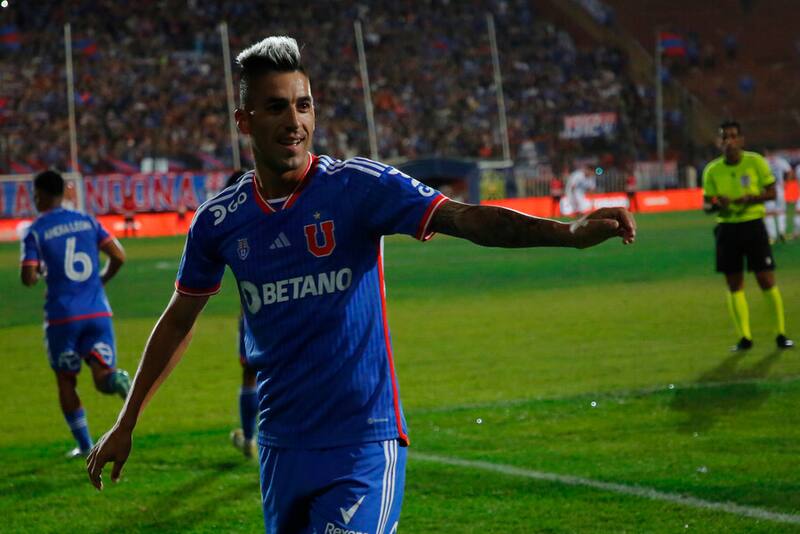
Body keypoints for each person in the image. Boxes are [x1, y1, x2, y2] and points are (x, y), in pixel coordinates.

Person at [86, 36, 635, 533]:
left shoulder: (357, 187)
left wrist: (569, 234)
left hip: (363, 443)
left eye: (303, 106)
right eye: (276, 107)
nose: (294, 121)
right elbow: (179, 319)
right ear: (244, 121)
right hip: (281, 446)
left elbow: (468, 218)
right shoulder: (219, 221)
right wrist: (126, 421)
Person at [21, 170, 131, 458]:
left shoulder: (36, 230)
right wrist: (101, 280)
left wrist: (39, 272)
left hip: (62, 317)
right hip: (97, 311)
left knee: (66, 379)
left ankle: (84, 445)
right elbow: (119, 256)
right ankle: (117, 380)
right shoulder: (87, 221)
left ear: (42, 195)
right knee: (101, 375)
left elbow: (28, 276)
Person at [702, 120, 794, 352]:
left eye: (733, 136)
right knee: (734, 284)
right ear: (719, 142)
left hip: (753, 226)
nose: (729, 141)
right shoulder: (712, 170)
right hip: (727, 228)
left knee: (766, 279)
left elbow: (772, 192)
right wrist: (716, 204)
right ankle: (744, 338)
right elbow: (706, 204)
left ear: (741, 140)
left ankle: (780, 334)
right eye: (725, 137)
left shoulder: (756, 162)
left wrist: (749, 199)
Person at [223, 169, 259, 459]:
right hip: (294, 303)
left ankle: (249, 438)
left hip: (253, 311)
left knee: (251, 373)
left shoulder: (232, 227)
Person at [764, 153, 793, 243]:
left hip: (768, 189)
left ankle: (772, 237)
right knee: (781, 212)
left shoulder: (763, 161)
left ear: (766, 151)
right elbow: (789, 171)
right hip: (779, 189)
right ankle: (782, 232)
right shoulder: (780, 161)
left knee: (768, 213)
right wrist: (785, 182)